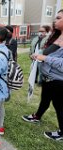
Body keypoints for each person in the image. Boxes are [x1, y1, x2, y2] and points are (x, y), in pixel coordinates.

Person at [22, 10, 63, 140]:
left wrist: (44, 58)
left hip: (58, 81)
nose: (55, 20)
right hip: (47, 78)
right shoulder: (56, 36)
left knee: (59, 106)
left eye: (58, 18)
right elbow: (46, 53)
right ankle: (37, 117)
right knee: (45, 100)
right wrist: (36, 55)